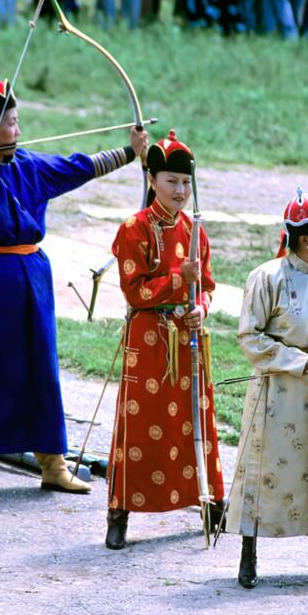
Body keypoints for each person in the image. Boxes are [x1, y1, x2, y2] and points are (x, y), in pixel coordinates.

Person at [0, 61, 149, 502]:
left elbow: (80, 166)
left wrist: (130, 151)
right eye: (9, 122)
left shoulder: (30, 166)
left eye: (17, 121)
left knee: (41, 367)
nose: (18, 129)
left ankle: (53, 465)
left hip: (31, 277)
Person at [223, 190, 308, 586]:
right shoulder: (266, 278)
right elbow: (250, 337)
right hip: (278, 393)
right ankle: (249, 554)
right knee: (265, 471)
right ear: (303, 240)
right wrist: (298, 361)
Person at [104, 130, 225, 550]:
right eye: (171, 181)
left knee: (196, 421)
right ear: (152, 179)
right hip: (150, 339)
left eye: (186, 183)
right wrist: (178, 279)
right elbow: (133, 291)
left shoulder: (196, 231)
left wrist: (201, 308)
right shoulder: (133, 229)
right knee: (139, 426)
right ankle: (120, 512)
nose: (180, 190)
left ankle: (211, 502)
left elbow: (207, 286)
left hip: (188, 338)